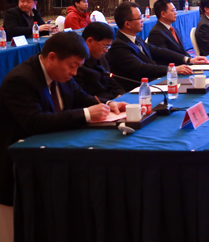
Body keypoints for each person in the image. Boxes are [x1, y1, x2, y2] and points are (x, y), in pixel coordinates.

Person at [0, 32, 125, 205]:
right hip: (23, 164)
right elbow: (34, 122)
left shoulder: (61, 73)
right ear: (52, 58)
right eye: (72, 66)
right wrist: (87, 114)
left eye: (78, 67)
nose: (74, 73)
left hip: (55, 151)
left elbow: (81, 96)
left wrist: (109, 104)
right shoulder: (20, 80)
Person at [106, 2, 201, 89]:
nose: (142, 20)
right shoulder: (119, 46)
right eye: (139, 18)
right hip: (138, 90)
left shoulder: (136, 38)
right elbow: (140, 68)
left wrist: (187, 59)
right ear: (127, 24)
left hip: (152, 83)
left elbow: (157, 51)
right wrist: (172, 69)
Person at [75, 22, 127, 101]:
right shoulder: (76, 65)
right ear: (90, 41)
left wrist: (121, 95)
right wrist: (110, 102)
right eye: (105, 46)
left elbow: (110, 80)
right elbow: (82, 97)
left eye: (108, 47)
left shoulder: (101, 57)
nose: (106, 50)